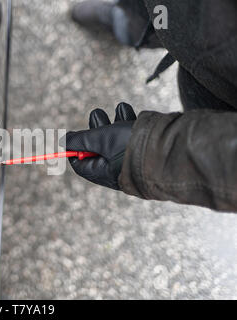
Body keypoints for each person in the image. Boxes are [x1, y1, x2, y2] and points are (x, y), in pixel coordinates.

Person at [61, 0, 237, 212]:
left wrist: (153, 152)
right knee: (158, 12)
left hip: (223, 85)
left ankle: (131, 27)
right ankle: (133, 22)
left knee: (200, 89)